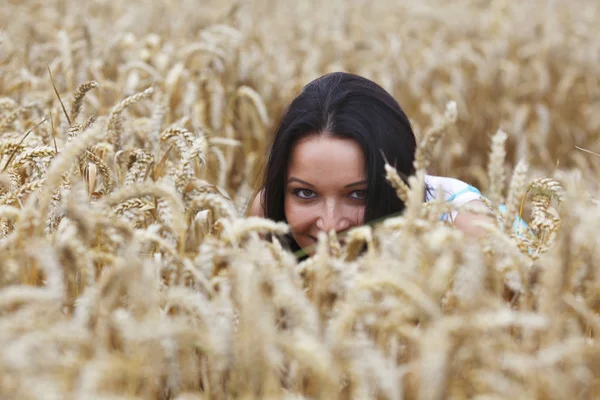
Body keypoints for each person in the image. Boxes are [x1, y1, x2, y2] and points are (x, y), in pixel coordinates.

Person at [249, 72, 511, 256]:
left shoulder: (467, 229)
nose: (330, 225)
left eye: (358, 194)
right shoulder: (267, 216)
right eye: (306, 193)